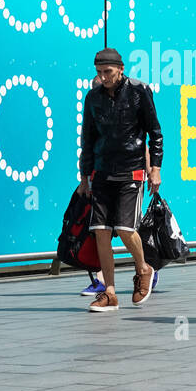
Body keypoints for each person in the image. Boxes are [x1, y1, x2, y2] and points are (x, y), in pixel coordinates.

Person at [78, 48, 164, 312]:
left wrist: (155, 168)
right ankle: (110, 293)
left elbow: (155, 133)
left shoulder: (139, 91)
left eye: (108, 72)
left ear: (121, 68)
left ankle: (143, 268)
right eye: (99, 72)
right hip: (102, 173)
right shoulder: (93, 97)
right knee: (101, 232)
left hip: (131, 171)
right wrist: (84, 176)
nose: (103, 77)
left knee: (126, 229)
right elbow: (88, 139)